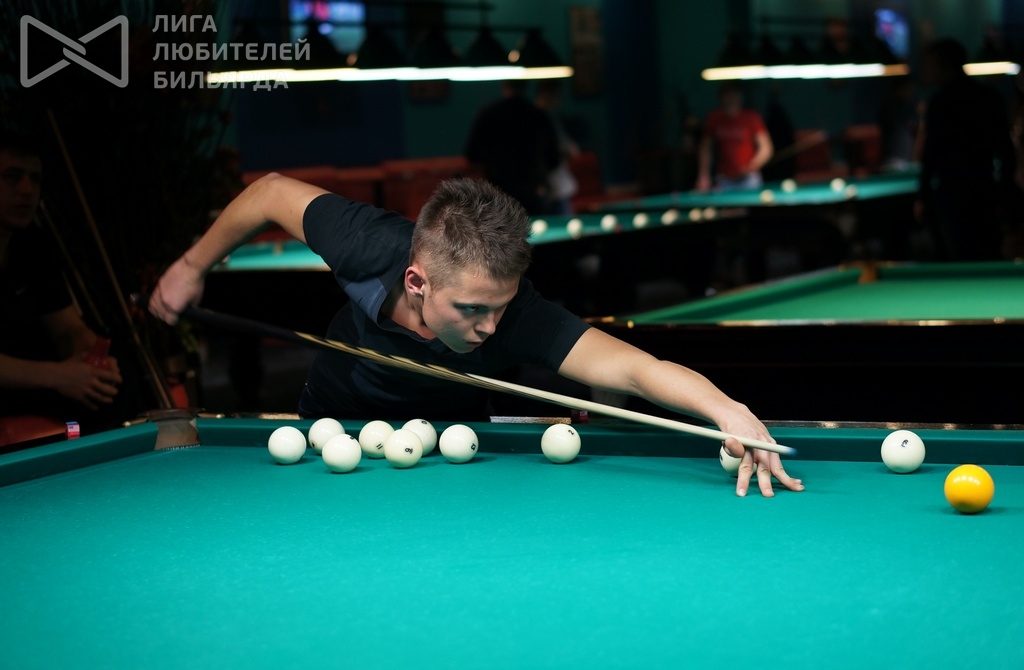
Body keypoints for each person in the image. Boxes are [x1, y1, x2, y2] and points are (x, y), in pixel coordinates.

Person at [149, 174, 805, 499]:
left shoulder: (518, 316)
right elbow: (268, 193)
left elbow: (634, 368)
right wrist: (191, 266)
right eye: (471, 309)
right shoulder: (362, 242)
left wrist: (725, 409)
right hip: (331, 425)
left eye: (501, 307)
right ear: (417, 281)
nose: (490, 327)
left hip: (453, 443)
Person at [0, 133, 126, 430]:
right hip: (16, 387)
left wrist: (93, 358)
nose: (27, 189)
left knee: (116, 383)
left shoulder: (33, 245)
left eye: (35, 179)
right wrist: (59, 376)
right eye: (12, 177)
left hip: (32, 387)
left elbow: (67, 327)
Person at [914, 38, 1016, 261]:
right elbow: (1007, 152)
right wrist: (1006, 192)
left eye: (930, 64)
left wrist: (922, 197)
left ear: (946, 65)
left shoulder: (939, 103)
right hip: (985, 191)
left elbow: (930, 156)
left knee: (959, 257)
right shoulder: (990, 97)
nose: (926, 70)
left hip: (952, 196)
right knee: (988, 254)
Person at [464, 80, 560, 215]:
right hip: (532, 191)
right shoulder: (538, 115)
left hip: (499, 192)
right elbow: (554, 158)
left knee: (503, 227)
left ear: (503, 86)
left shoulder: (489, 114)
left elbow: (472, 154)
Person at [696, 82, 774, 191]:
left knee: (747, 202)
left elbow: (766, 148)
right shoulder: (714, 118)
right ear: (721, 97)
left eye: (734, 95)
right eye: (727, 95)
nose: (731, 99)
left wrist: (752, 165)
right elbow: (705, 148)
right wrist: (703, 175)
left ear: (740, 96)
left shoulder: (751, 117)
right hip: (724, 178)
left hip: (749, 178)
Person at [534, 79, 580, 215]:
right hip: (548, 184)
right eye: (558, 95)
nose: (560, 99)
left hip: (551, 184)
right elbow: (571, 150)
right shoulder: (541, 117)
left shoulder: (547, 116)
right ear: (548, 94)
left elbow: (572, 150)